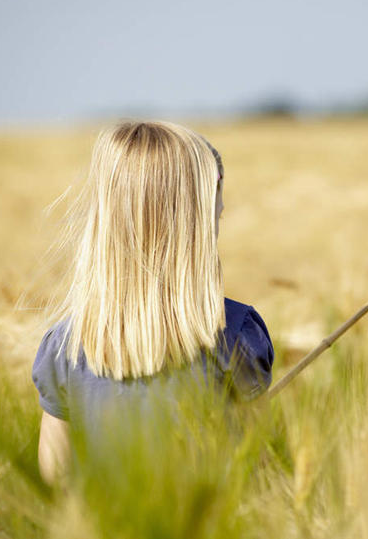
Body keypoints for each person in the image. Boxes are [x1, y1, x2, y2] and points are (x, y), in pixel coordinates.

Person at [32, 122, 274, 484]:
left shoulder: (63, 346)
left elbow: (54, 479)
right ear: (195, 224)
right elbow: (258, 476)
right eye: (216, 215)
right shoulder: (236, 334)